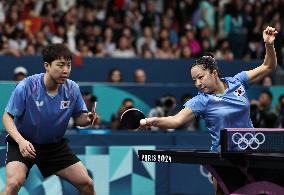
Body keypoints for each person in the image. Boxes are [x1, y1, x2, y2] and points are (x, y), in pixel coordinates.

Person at [140, 26, 278, 194]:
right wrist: (151, 121)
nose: (197, 83)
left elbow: (269, 66)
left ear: (214, 73)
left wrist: (269, 45)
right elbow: (176, 121)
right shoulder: (201, 100)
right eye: (194, 80)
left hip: (251, 153)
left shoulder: (238, 82)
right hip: (224, 159)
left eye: (200, 77)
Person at [2, 44, 97, 195]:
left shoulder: (72, 89)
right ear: (47, 65)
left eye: (68, 65)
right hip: (24, 144)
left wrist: (88, 119)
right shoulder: (27, 86)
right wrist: (20, 141)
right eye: (60, 65)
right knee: (13, 183)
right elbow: (7, 117)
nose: (65, 70)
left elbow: (79, 119)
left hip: (54, 147)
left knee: (87, 183)